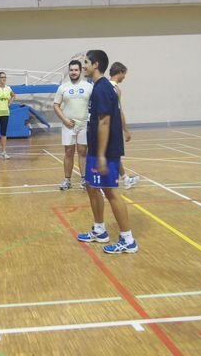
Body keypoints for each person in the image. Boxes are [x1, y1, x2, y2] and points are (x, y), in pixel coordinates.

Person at [77, 50, 138, 254]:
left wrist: (101, 154)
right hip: (96, 148)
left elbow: (104, 122)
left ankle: (128, 240)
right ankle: (100, 230)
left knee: (111, 192)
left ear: (95, 64)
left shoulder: (103, 89)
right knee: (91, 186)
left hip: (106, 151)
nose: (83, 65)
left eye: (85, 62)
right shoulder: (98, 87)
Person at [53, 60, 92, 190]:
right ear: (68, 71)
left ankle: (84, 180)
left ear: (80, 71)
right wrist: (64, 119)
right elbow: (56, 105)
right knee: (68, 152)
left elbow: (95, 104)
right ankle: (67, 180)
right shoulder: (63, 87)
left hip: (84, 125)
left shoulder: (88, 86)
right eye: (71, 70)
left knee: (82, 152)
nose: (73, 72)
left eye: (76, 70)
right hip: (68, 125)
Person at [109, 62, 140, 190]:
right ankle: (108, 185)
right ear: (120, 72)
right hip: (111, 128)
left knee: (113, 155)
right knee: (112, 156)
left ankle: (125, 178)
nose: (125, 77)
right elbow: (119, 112)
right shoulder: (114, 89)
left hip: (107, 128)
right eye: (124, 74)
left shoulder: (103, 86)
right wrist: (126, 130)